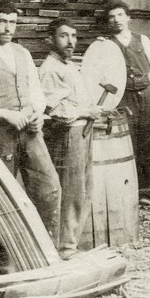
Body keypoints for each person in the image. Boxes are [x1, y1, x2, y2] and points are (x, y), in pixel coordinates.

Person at [0, 0, 62, 259]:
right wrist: (3, 114)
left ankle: (46, 252)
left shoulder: (22, 53)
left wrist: (38, 114)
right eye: (2, 22)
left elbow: (36, 92)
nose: (8, 28)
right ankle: (6, 261)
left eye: (12, 22)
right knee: (3, 198)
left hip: (30, 132)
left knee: (48, 188)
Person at [38, 18, 103, 259]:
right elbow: (55, 109)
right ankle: (64, 248)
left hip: (81, 131)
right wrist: (87, 112)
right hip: (67, 134)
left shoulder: (69, 66)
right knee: (71, 191)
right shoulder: (50, 69)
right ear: (50, 40)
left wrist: (91, 110)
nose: (70, 41)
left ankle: (70, 244)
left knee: (83, 189)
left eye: (74, 36)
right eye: (64, 36)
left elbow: (76, 100)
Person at [102, 0, 150, 205]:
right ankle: (127, 190)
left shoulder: (142, 40)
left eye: (120, 15)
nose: (116, 20)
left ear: (128, 18)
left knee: (147, 143)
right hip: (124, 98)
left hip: (147, 97)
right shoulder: (106, 44)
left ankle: (145, 191)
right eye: (111, 17)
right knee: (126, 143)